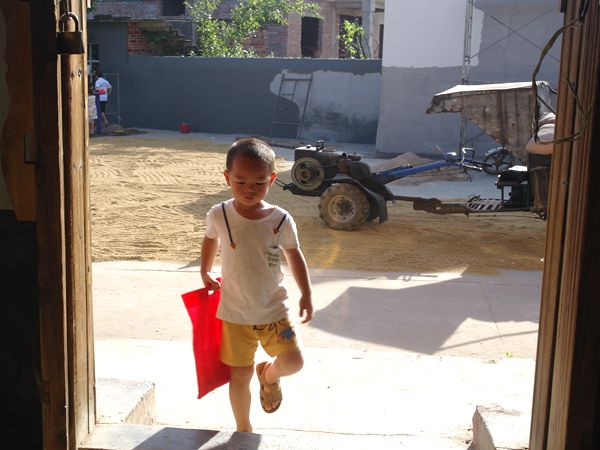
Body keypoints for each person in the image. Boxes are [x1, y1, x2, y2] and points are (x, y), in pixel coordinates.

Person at [200, 137, 313, 432]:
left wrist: (306, 293)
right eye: (240, 182)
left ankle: (269, 375)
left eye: (259, 183)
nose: (249, 189)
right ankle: (244, 430)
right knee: (239, 376)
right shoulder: (219, 214)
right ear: (227, 177)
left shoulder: (280, 220)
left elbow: (294, 254)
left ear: (272, 180)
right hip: (234, 315)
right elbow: (210, 238)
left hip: (275, 312)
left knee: (294, 362)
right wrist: (204, 270)